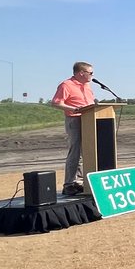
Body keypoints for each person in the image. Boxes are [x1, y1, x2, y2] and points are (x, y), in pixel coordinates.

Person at [50, 61, 96, 196]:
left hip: (89, 120)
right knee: (75, 152)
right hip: (75, 119)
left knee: (86, 152)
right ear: (81, 73)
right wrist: (74, 108)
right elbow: (56, 103)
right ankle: (69, 183)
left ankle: (80, 181)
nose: (92, 76)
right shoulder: (66, 85)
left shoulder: (87, 86)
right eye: (90, 73)